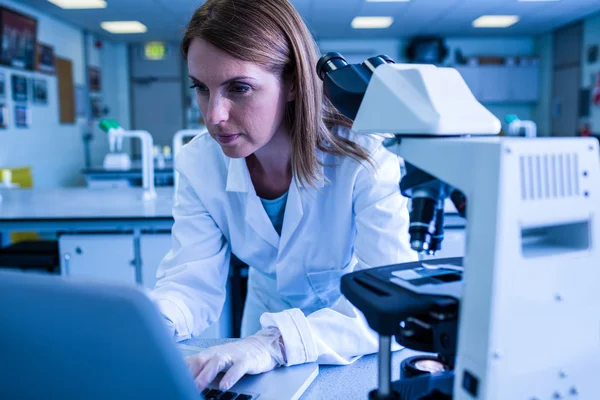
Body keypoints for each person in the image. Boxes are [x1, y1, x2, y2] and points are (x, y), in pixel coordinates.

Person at [150, 0, 417, 392]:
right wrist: (150, 323)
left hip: (350, 336)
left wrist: (275, 344)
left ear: (293, 83)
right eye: (201, 89)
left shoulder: (364, 155)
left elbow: (393, 300)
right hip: (262, 327)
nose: (214, 116)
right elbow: (191, 282)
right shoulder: (199, 162)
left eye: (239, 88)